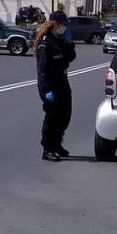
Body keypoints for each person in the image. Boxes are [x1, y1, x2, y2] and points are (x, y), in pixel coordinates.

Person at [35, 11, 76, 161]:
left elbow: (70, 57)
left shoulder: (59, 39)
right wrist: (46, 90)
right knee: (52, 118)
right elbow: (42, 70)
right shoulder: (45, 43)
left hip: (62, 83)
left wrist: (69, 43)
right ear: (55, 24)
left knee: (65, 116)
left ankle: (57, 144)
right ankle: (48, 149)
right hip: (50, 86)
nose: (64, 27)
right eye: (63, 24)